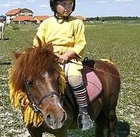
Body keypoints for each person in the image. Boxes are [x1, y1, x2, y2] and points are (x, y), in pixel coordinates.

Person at [33, 0, 93, 130]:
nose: (68, 7)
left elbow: (80, 43)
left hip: (70, 59)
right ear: (54, 5)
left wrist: (66, 55)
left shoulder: (77, 23)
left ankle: (83, 113)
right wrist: (51, 55)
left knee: (74, 78)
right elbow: (37, 43)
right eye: (63, 4)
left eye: (70, 4)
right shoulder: (46, 23)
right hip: (49, 59)